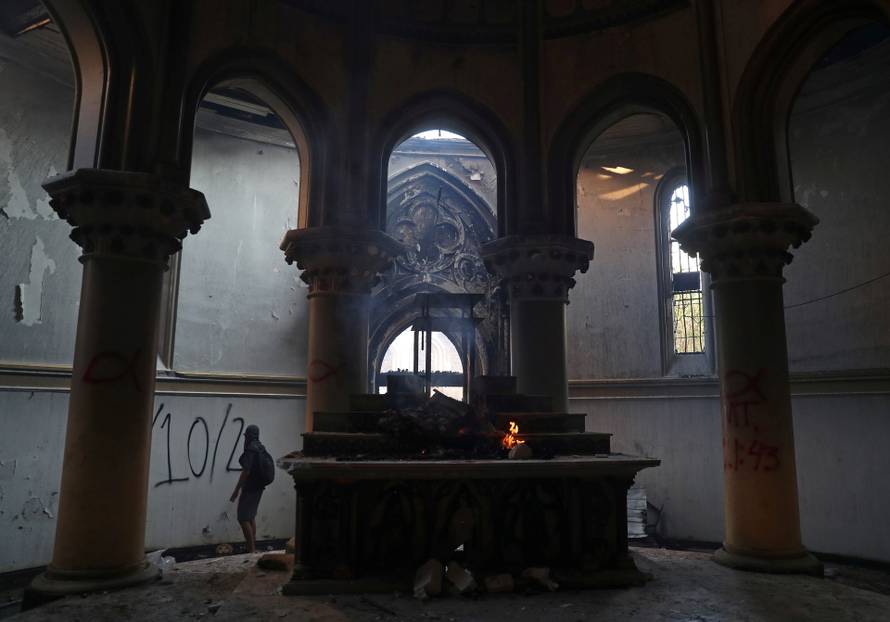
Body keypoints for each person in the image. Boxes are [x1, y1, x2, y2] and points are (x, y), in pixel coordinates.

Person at [229, 424, 267, 553]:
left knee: (243, 518)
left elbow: (246, 471)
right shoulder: (260, 447)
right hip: (259, 487)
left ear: (248, 436)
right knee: (250, 516)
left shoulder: (251, 449)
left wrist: (236, 490)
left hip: (250, 488)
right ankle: (252, 547)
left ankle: (251, 550)